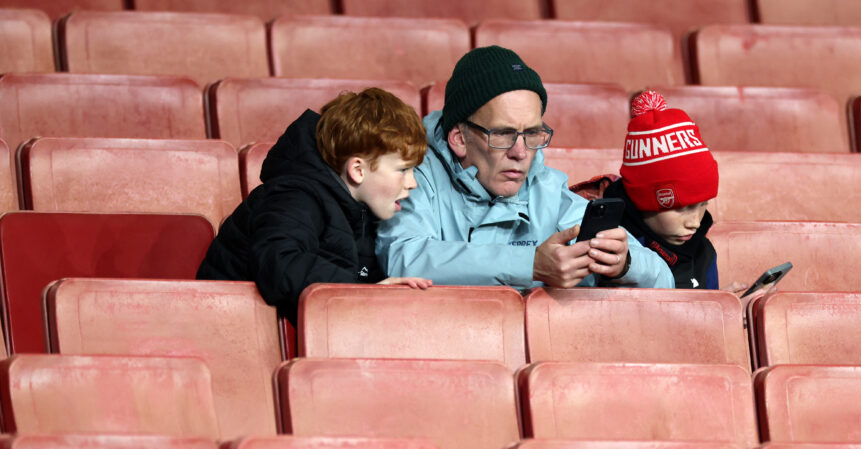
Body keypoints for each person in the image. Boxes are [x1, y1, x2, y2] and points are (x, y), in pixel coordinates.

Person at [375, 46, 673, 289]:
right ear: (459, 138)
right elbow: (404, 258)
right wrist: (530, 265)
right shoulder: (413, 176)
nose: (521, 153)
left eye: (531, 134)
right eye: (503, 134)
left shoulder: (547, 189)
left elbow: (663, 279)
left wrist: (623, 264)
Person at [197, 87, 432, 323]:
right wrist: (364, 293)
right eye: (402, 170)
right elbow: (282, 265)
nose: (412, 183)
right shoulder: (294, 197)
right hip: (227, 328)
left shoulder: (359, 211)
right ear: (358, 170)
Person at [600, 90, 721, 290]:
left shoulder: (704, 254)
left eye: (703, 205)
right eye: (682, 208)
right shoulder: (608, 245)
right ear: (642, 200)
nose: (695, 223)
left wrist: (726, 310)